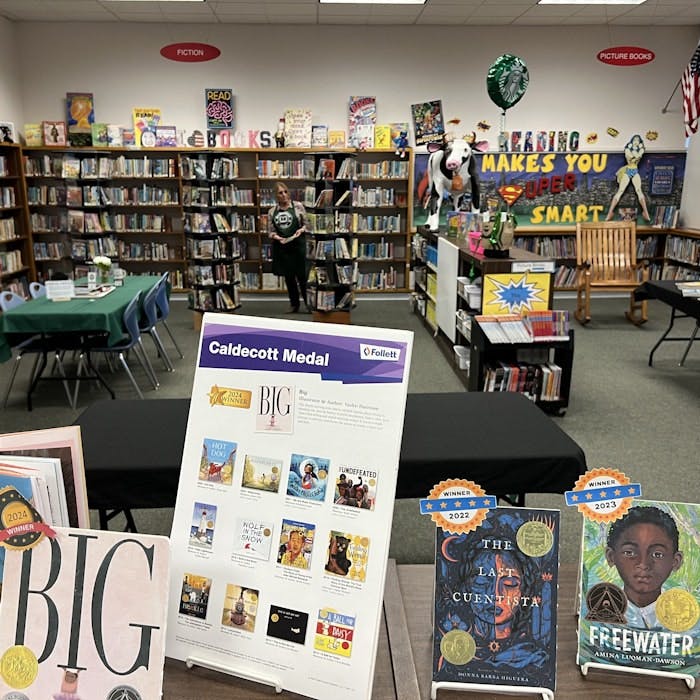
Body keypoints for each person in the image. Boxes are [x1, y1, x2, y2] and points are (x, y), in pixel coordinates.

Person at [605, 505, 683, 629]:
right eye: (629, 553)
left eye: (657, 554)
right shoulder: (600, 612)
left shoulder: (684, 616)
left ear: (676, 561)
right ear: (611, 557)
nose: (643, 564)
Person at [268, 182, 309, 313]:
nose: (284, 195)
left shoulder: (298, 206)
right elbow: (270, 231)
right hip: (283, 247)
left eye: (285, 191)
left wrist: (301, 231)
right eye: (280, 193)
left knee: (303, 277)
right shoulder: (272, 211)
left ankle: (309, 304)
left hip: (298, 246)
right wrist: (277, 237)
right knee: (289, 278)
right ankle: (294, 304)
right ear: (276, 195)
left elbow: (307, 225)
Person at [605, 134, 651, 222]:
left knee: (639, 191)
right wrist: (635, 154)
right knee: (620, 191)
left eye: (638, 140)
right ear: (632, 141)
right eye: (635, 140)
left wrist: (635, 154)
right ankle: (610, 213)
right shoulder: (628, 148)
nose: (636, 141)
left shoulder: (639, 149)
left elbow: (638, 156)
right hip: (628, 170)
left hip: (634, 170)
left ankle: (646, 213)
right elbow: (630, 156)